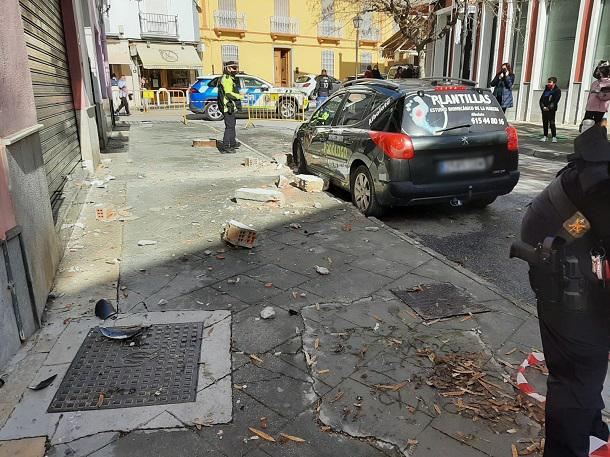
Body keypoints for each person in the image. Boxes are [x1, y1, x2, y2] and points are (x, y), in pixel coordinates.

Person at [511, 116, 610, 457]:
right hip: (559, 249)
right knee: (579, 365)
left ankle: (591, 428)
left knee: (592, 353)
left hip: (580, 234)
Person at [217, 61, 243, 153]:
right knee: (229, 127)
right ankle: (225, 147)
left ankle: (232, 143)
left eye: (236, 68)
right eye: (233, 68)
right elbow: (228, 94)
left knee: (232, 125)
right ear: (227, 68)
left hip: (229, 106)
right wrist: (240, 96)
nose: (235, 70)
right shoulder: (227, 78)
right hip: (227, 107)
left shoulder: (230, 78)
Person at [539, 76, 561, 143]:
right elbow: (541, 100)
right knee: (545, 123)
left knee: (552, 123)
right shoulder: (546, 90)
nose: (548, 83)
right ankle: (545, 136)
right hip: (544, 110)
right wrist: (543, 107)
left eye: (550, 82)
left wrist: (549, 107)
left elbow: (555, 101)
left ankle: (554, 137)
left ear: (554, 83)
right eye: (548, 82)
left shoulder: (557, 91)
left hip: (551, 110)